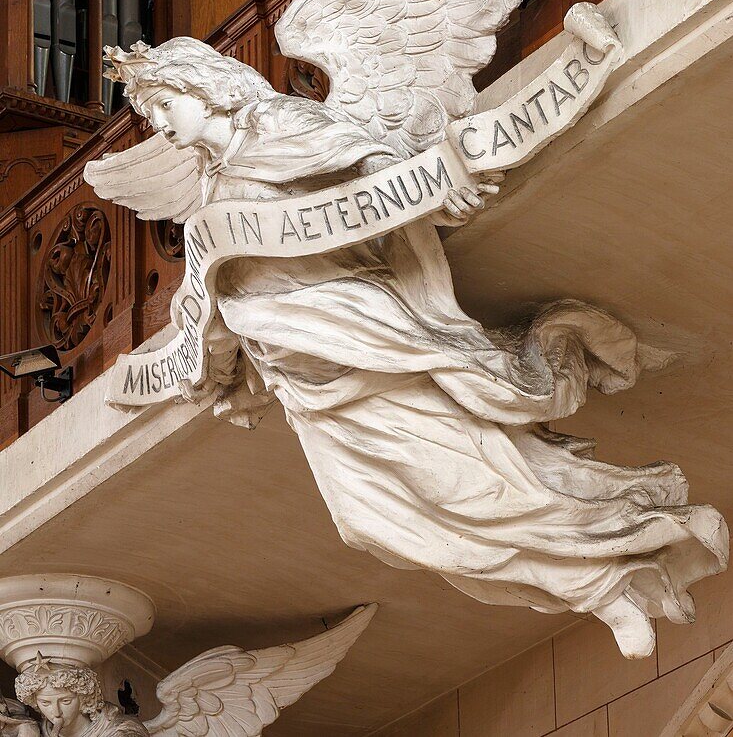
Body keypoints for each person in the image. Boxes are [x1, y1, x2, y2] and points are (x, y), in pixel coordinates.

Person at [105, 38, 728, 659]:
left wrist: (437, 185)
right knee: (370, 525)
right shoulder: (213, 191)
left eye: (163, 105)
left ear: (202, 86)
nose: (160, 127)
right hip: (305, 381)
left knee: (471, 485)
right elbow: (228, 288)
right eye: (151, 115)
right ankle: (596, 580)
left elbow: (375, 171)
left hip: (365, 344)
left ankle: (616, 574)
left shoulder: (282, 125)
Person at [14, 659, 147, 737]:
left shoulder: (121, 731)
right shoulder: (36, 733)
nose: (56, 712)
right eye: (45, 703)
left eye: (65, 701)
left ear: (84, 698)